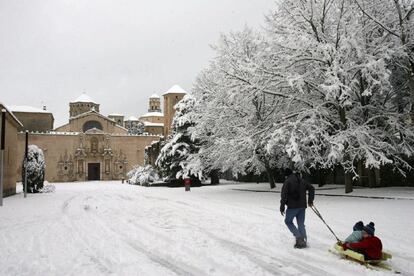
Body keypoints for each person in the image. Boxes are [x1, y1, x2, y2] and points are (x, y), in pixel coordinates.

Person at [280, 168, 315, 249]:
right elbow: (311, 188)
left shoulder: (287, 182)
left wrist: (282, 207)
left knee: (288, 222)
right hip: (302, 206)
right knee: (301, 224)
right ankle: (304, 240)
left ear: (286, 175)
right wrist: (310, 201)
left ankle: (299, 238)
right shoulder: (302, 180)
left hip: (292, 207)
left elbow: (284, 195)